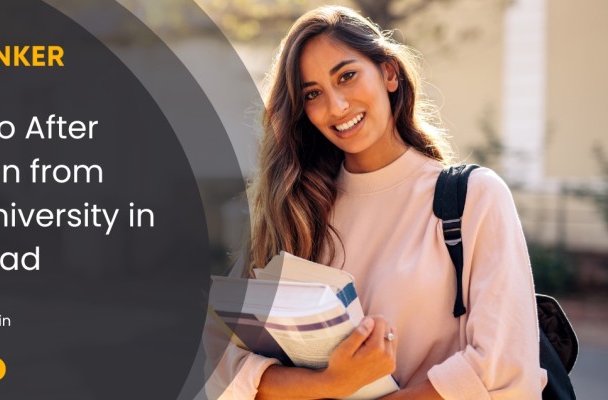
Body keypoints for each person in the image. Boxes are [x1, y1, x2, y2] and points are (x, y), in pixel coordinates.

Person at [203, 5, 546, 399]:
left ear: (388, 73)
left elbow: (502, 372)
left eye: (346, 76)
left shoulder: (474, 199)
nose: (336, 107)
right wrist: (330, 383)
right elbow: (222, 365)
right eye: (313, 94)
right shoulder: (295, 209)